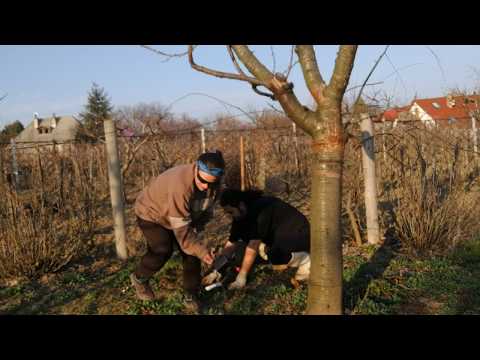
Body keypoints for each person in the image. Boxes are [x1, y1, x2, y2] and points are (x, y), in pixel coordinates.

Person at [130, 150, 225, 313]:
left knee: (192, 253)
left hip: (181, 215)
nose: (206, 186)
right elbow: (182, 233)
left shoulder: (215, 186)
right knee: (162, 250)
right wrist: (201, 250)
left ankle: (190, 294)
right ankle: (139, 278)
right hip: (152, 213)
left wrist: (198, 238)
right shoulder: (180, 186)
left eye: (212, 183)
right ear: (196, 169)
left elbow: (205, 212)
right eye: (202, 181)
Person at [202, 189, 310, 290]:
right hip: (281, 234)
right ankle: (277, 254)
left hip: (300, 234)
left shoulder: (261, 209)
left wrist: (241, 277)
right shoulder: (240, 215)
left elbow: (252, 246)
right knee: (241, 250)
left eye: (231, 212)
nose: (231, 216)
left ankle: (305, 259)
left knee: (275, 256)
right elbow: (231, 244)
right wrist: (216, 270)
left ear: (240, 205)